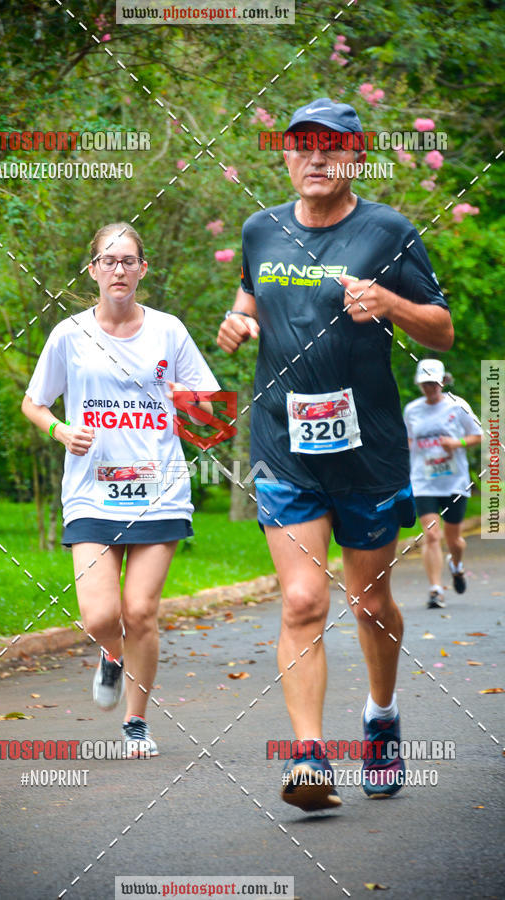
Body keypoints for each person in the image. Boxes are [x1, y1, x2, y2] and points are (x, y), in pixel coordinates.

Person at [217, 98, 454, 811]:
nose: (315, 159)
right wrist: (238, 321)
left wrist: (389, 302)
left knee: (369, 601)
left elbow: (440, 331)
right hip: (284, 446)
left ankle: (380, 719)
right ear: (286, 156)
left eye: (331, 147)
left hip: (368, 450)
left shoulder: (389, 231)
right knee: (300, 599)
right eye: (301, 147)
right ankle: (310, 758)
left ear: (355, 156)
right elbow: (250, 297)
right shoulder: (262, 229)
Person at [22, 222, 219, 757]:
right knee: (100, 617)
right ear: (93, 270)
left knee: (140, 612)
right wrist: (61, 430)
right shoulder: (70, 334)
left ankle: (136, 721)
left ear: (142, 269)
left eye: (128, 260)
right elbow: (34, 403)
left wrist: (189, 403)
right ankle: (111, 655)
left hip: (159, 490)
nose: (119, 269)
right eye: (108, 261)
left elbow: (205, 407)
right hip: (90, 492)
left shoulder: (169, 331)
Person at [404, 359, 482, 609]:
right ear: (419, 384)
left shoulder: (457, 406)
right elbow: (408, 441)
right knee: (431, 535)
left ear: (443, 381)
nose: (430, 387)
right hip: (423, 480)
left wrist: (456, 443)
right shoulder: (412, 410)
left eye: (434, 382)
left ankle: (456, 565)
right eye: (425, 383)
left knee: (454, 540)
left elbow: (478, 435)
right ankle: (435, 589)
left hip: (454, 481)